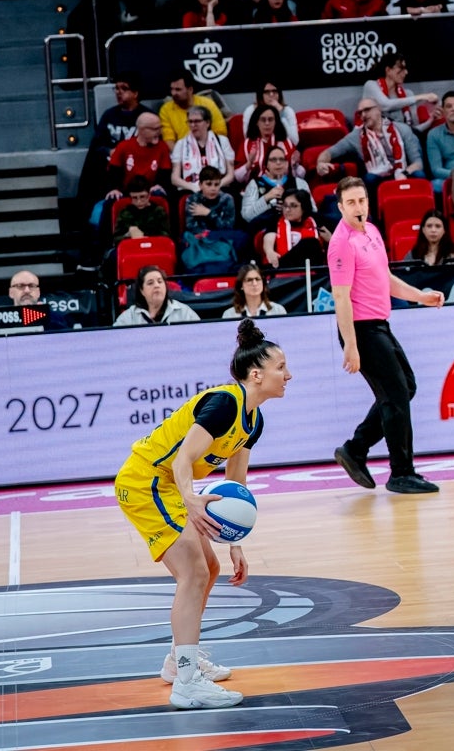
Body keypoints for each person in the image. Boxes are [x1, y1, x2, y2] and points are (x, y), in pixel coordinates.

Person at [115, 318, 288, 709]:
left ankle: (179, 662)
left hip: (171, 487)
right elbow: (182, 460)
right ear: (257, 374)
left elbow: (235, 488)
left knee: (208, 568)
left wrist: (236, 542)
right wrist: (191, 499)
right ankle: (188, 683)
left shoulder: (253, 420)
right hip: (146, 481)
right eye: (281, 367)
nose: (288, 374)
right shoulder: (225, 403)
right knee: (193, 571)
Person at [328, 177, 445, 495]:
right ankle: (401, 472)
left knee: (405, 387)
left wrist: (422, 296)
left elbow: (386, 278)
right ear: (340, 207)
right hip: (362, 330)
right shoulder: (341, 243)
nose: (358, 208)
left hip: (380, 325)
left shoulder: (372, 232)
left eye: (362, 201)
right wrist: (350, 345)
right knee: (395, 395)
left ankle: (356, 448)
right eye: (351, 203)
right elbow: (341, 297)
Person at [316, 97, 425, 212]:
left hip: (404, 174)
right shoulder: (356, 137)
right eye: (360, 113)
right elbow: (328, 152)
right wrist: (320, 162)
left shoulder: (402, 129)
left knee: (419, 175)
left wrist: (404, 173)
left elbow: (418, 163)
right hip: (378, 179)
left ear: (378, 110)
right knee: (369, 179)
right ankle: (377, 219)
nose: (363, 115)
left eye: (367, 110)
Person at [362, 51, 439, 136]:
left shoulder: (408, 95)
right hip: (377, 140)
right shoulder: (371, 85)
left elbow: (413, 131)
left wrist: (431, 120)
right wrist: (421, 97)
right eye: (401, 68)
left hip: (403, 141)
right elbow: (385, 105)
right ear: (388, 70)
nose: (406, 72)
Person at [240, 147, 309, 235]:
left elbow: (312, 210)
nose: (278, 163)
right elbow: (246, 216)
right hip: (264, 230)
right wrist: (266, 197)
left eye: (282, 159)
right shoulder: (255, 184)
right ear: (266, 165)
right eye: (273, 160)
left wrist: (289, 208)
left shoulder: (299, 183)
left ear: (286, 163)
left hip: (296, 229)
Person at [172, 107, 235, 194]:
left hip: (219, 187)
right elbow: (175, 178)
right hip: (191, 189)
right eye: (190, 121)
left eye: (197, 121)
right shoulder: (181, 144)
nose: (193, 125)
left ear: (208, 123)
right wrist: (195, 188)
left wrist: (214, 186)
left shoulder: (222, 141)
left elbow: (231, 175)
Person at [234, 104, 298, 188]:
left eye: (270, 120)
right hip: (255, 189)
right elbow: (238, 178)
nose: (267, 123)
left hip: (283, 188)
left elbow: (299, 175)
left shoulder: (286, 143)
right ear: (256, 122)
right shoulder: (247, 144)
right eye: (263, 120)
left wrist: (295, 165)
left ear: (276, 122)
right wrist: (249, 164)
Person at [160, 69, 227, 149]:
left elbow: (220, 132)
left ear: (190, 90)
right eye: (172, 89)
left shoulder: (208, 104)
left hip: (209, 150)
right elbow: (168, 140)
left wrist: (203, 152)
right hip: (181, 154)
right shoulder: (166, 110)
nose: (173, 93)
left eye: (178, 89)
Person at [262, 187, 327, 268]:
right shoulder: (275, 220)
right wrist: (269, 251)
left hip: (312, 270)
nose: (287, 210)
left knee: (311, 244)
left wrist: (330, 239)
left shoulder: (316, 220)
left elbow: (331, 240)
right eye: (285, 206)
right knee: (310, 243)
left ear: (304, 207)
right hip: (283, 266)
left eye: (293, 206)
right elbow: (269, 237)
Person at [115, 265, 201, 326]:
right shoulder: (130, 317)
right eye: (150, 283)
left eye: (160, 281)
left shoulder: (184, 312)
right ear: (142, 291)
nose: (156, 285)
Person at [221, 262, 287, 318]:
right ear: (241, 286)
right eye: (249, 280)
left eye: (257, 279)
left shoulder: (278, 310)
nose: (254, 283)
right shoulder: (229, 314)